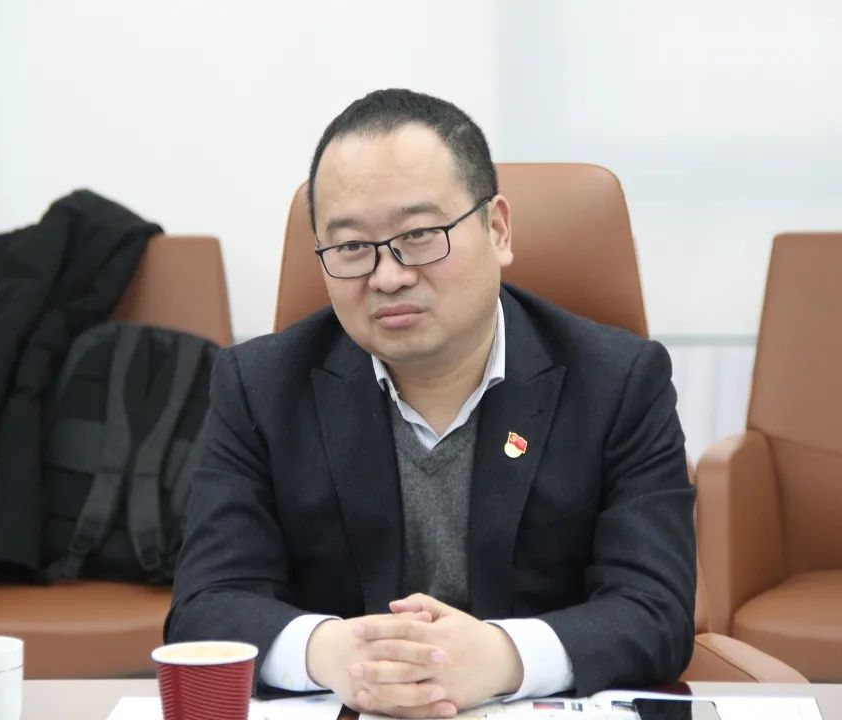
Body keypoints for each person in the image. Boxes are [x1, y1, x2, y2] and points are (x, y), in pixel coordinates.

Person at [166, 89, 696, 718]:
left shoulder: (619, 381)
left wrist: (503, 657)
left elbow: (655, 610)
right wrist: (333, 652)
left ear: (497, 229)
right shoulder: (257, 386)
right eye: (351, 246)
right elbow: (206, 605)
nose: (388, 276)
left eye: (419, 235)